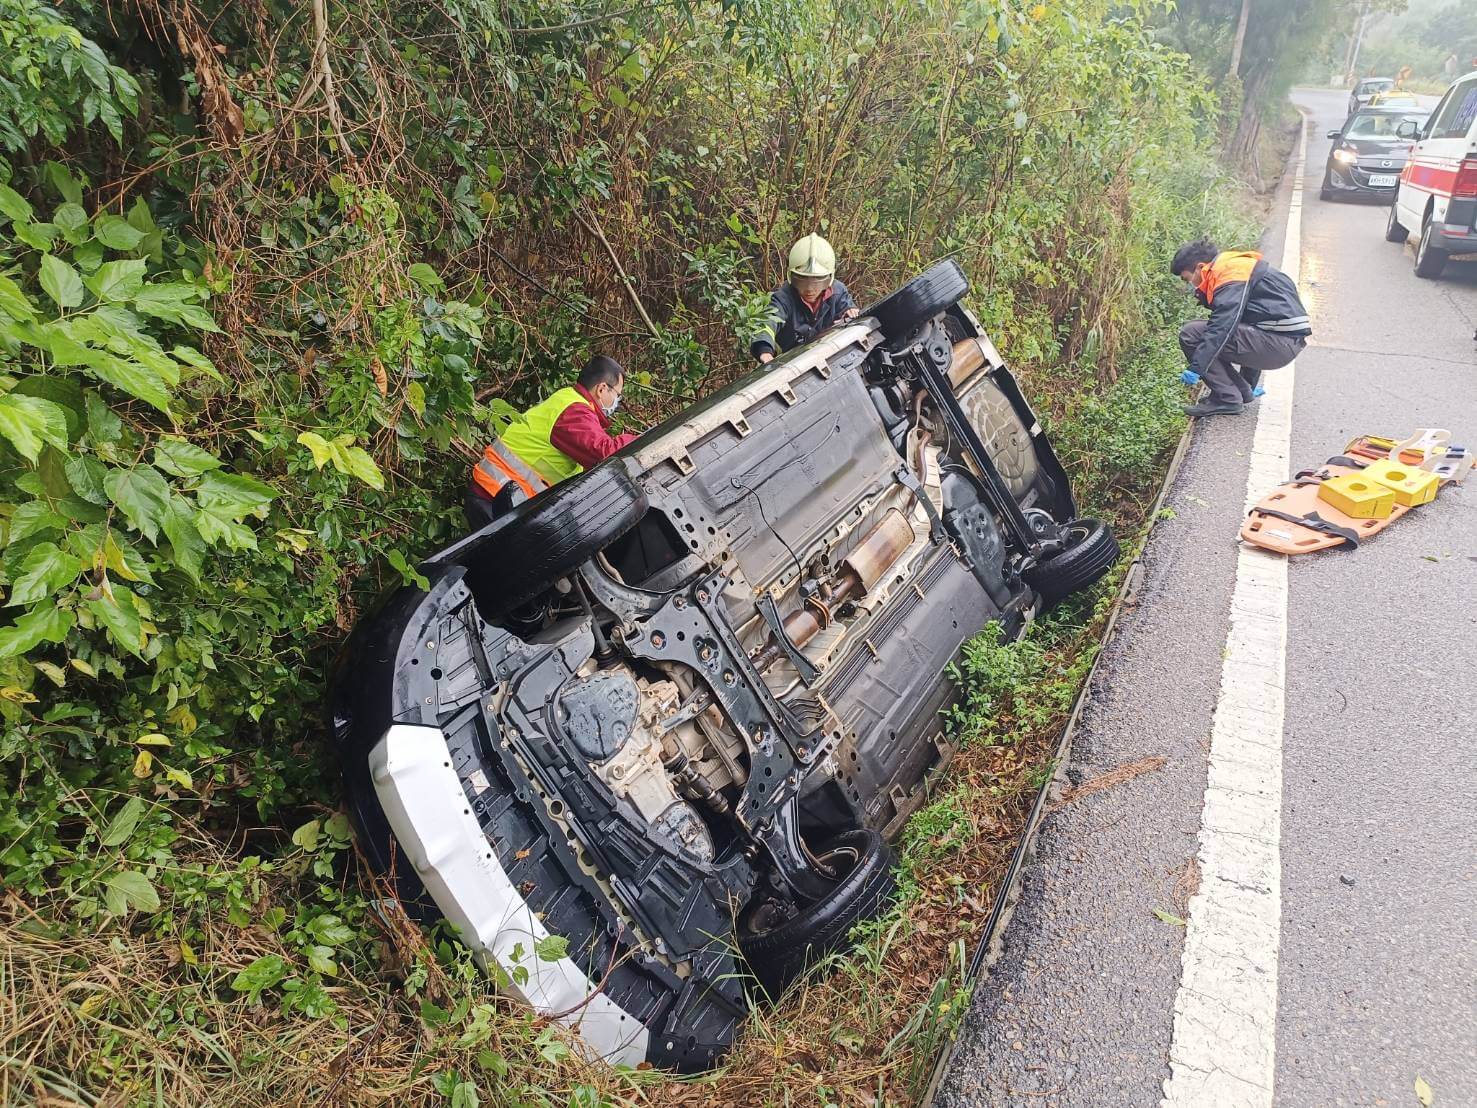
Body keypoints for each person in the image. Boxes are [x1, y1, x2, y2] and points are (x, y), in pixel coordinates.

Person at [465, 355, 639, 528]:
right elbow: (605, 452)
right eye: (618, 395)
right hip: (496, 497)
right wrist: (645, 439)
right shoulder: (575, 411)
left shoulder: (569, 400)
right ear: (602, 389)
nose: (617, 402)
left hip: (498, 496)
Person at [1172, 239, 1311, 417]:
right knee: (1210, 332)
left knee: (1191, 333)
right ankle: (1237, 392)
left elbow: (1223, 327)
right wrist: (1248, 387)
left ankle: (1226, 399)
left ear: (1200, 267)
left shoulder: (1229, 275)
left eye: (1187, 279)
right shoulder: (1236, 267)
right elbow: (1253, 324)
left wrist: (1196, 368)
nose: (1191, 285)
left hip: (1277, 344)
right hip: (1282, 343)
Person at [750, 233, 861, 363]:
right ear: (792, 276)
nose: (809, 289)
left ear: (829, 278)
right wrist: (765, 352)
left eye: (817, 282)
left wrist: (851, 312)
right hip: (792, 364)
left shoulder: (838, 292)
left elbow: (848, 309)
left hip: (830, 359)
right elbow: (767, 323)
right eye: (802, 281)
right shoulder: (783, 299)